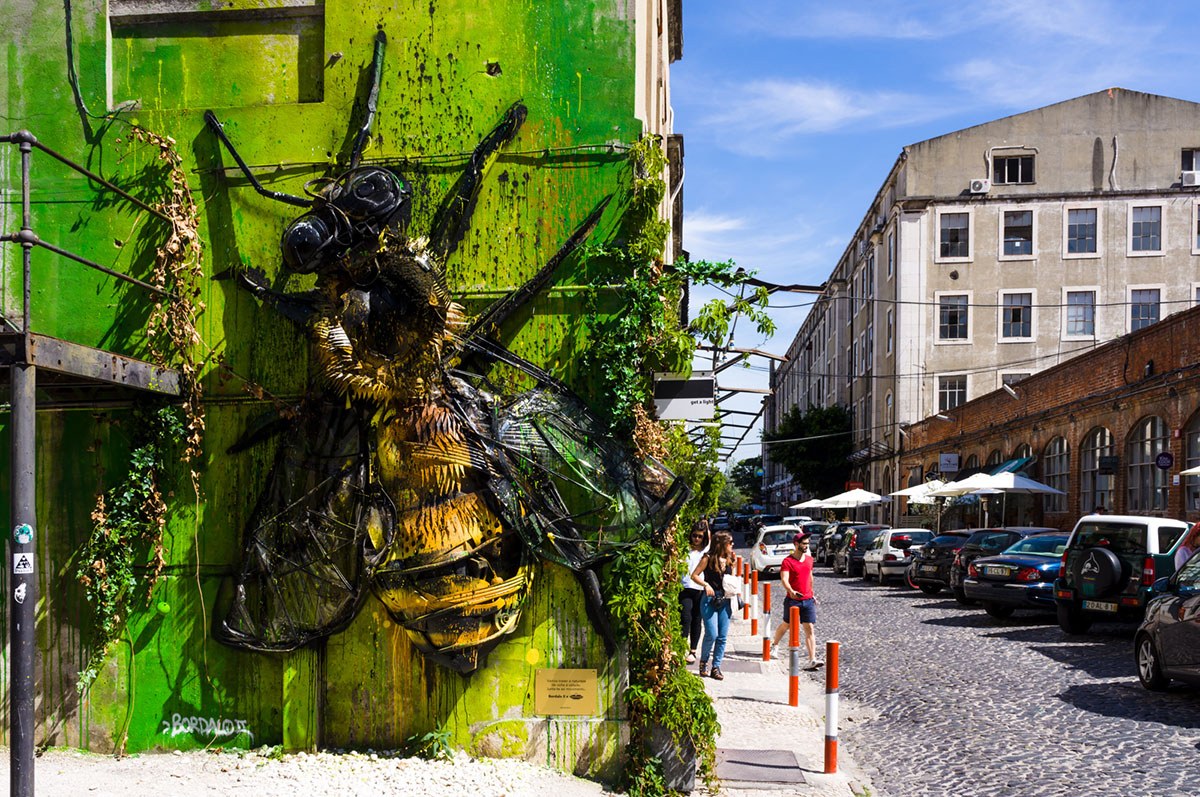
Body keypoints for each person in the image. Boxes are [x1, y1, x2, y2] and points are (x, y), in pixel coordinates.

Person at [771, 532, 821, 670]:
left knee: (809, 628)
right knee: (786, 625)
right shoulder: (787, 561)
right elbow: (784, 579)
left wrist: (812, 594)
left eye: (808, 543)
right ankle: (775, 645)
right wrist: (791, 591)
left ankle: (812, 659)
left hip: (808, 599)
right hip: (793, 600)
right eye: (804, 544)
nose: (807, 546)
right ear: (796, 544)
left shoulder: (809, 560)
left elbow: (810, 578)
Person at [691, 531, 735, 680]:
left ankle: (716, 667)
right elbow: (694, 575)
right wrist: (706, 584)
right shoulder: (708, 558)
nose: (732, 545)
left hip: (725, 600)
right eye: (730, 542)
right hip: (709, 599)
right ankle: (703, 662)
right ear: (721, 544)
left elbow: (731, 579)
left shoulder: (730, 559)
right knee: (712, 633)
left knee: (722, 636)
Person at [679, 523, 709, 664]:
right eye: (694, 535)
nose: (696, 539)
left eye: (700, 536)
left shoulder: (706, 551)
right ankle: (681, 647)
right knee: (685, 618)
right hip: (685, 587)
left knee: (697, 619)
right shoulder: (685, 549)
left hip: (699, 588)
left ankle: (693, 651)